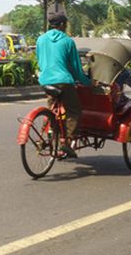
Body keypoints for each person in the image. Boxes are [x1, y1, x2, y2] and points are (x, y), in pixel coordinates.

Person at [35, 14, 93, 158]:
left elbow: (40, 60)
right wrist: (87, 82)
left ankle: (48, 135)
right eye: (65, 24)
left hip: (45, 80)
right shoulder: (67, 41)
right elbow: (75, 69)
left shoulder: (40, 40)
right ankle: (66, 142)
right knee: (74, 110)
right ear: (62, 24)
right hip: (63, 81)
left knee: (52, 110)